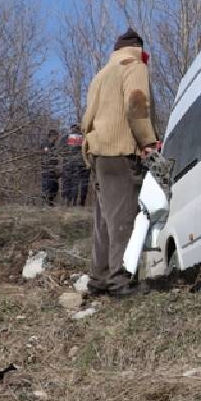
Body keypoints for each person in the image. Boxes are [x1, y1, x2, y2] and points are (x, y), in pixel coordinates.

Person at [81, 28, 158, 296]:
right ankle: (120, 281)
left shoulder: (102, 73)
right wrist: (148, 141)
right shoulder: (134, 65)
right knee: (124, 218)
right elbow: (136, 103)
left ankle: (98, 279)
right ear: (138, 47)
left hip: (98, 152)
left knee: (104, 221)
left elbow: (87, 117)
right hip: (120, 149)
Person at [61, 123, 90, 206]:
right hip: (79, 164)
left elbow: (59, 149)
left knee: (66, 182)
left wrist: (64, 155)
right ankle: (75, 202)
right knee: (75, 183)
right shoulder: (83, 138)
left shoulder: (66, 137)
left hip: (67, 163)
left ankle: (66, 201)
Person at [40, 129, 61, 205]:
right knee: (46, 187)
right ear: (52, 136)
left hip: (53, 170)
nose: (57, 137)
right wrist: (51, 168)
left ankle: (50, 202)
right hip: (47, 170)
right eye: (56, 136)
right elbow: (47, 157)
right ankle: (45, 203)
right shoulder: (46, 144)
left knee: (55, 187)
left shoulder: (53, 145)